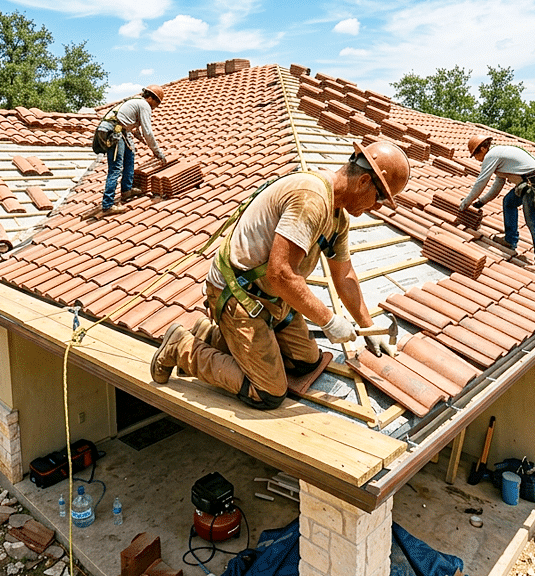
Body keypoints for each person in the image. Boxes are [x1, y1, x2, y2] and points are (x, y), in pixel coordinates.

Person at [150, 141, 411, 410]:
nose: (377, 208)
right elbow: (281, 274)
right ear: (364, 181)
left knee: (306, 363)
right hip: (240, 295)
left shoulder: (338, 218)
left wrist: (367, 327)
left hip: (273, 299)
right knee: (269, 392)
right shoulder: (312, 198)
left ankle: (209, 335)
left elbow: (344, 276)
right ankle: (181, 347)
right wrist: (329, 320)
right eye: (380, 199)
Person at [458, 135, 535, 272]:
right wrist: (481, 202)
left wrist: (466, 202)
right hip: (528, 182)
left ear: (483, 148)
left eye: (475, 155)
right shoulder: (498, 155)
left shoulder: (491, 155)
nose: (476, 159)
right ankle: (510, 240)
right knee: (509, 202)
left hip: (534, 184)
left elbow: (481, 182)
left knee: (534, 222)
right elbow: (497, 185)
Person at [95, 85, 168, 216]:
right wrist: (157, 152)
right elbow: (148, 132)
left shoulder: (136, 101)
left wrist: (138, 136)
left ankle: (126, 190)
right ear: (151, 98)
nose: (155, 108)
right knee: (116, 168)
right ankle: (107, 205)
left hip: (120, 131)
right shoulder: (144, 105)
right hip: (113, 132)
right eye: (156, 104)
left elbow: (133, 126)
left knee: (130, 154)